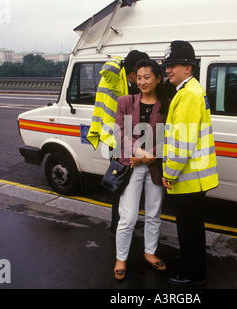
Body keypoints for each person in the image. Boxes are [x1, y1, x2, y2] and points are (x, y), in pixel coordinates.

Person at [161, 40, 219, 286]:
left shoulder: (188, 96)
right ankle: (190, 260)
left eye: (174, 65)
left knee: (189, 229)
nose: (168, 70)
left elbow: (182, 144)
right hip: (195, 175)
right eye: (167, 65)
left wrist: (169, 174)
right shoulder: (192, 91)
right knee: (192, 227)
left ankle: (192, 273)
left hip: (188, 176)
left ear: (189, 68)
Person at [113, 59, 170, 280]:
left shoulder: (167, 104)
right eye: (139, 77)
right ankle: (121, 258)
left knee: (154, 214)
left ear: (157, 78)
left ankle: (150, 253)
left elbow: (170, 135)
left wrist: (149, 155)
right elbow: (119, 132)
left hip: (154, 166)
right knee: (127, 217)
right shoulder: (126, 101)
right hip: (132, 167)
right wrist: (138, 152)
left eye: (147, 77)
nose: (142, 81)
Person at [86, 50, 149, 236]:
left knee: (125, 184)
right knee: (120, 185)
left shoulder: (122, 80)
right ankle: (117, 228)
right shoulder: (116, 78)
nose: (138, 81)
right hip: (116, 140)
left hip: (117, 138)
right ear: (130, 73)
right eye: (137, 76)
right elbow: (109, 68)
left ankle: (125, 221)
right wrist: (120, 60)